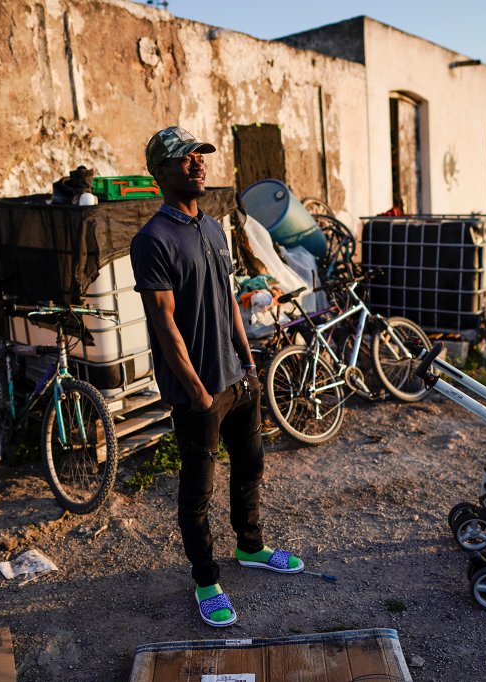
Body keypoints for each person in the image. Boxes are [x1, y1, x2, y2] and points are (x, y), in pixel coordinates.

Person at [130, 126, 304, 627]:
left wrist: (248, 363)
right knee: (197, 492)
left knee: (250, 468)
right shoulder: (152, 240)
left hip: (238, 378)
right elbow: (164, 325)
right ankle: (206, 579)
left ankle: (250, 547)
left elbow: (227, 297)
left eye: (199, 155)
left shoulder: (211, 227)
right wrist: (199, 393)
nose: (197, 163)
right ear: (160, 172)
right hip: (199, 393)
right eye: (184, 158)